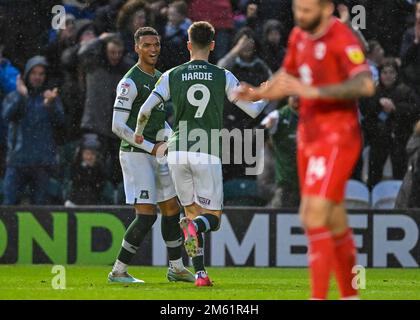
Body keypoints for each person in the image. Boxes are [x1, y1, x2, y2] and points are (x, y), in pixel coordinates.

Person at [236, 0, 375, 300]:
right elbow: (286, 79)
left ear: (326, 9)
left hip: (337, 136)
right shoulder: (299, 36)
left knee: (312, 215)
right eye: (297, 9)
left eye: (307, 10)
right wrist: (258, 92)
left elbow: (365, 85)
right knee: (333, 216)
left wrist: (317, 92)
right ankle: (351, 295)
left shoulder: (341, 37)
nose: (300, 16)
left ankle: (318, 296)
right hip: (309, 136)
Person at [134, 21, 267, 286]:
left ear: (188, 45)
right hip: (205, 151)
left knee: (191, 214)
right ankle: (198, 240)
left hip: (178, 151)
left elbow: (145, 110)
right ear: (213, 46)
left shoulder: (171, 74)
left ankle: (201, 273)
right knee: (212, 220)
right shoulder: (223, 76)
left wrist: (139, 132)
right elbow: (253, 111)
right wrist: (266, 93)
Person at [108, 27, 194, 284]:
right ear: (136, 48)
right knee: (146, 215)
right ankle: (118, 271)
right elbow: (117, 126)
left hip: (157, 153)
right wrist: (151, 147)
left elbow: (158, 121)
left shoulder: (159, 78)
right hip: (136, 155)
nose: (153, 49)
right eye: (147, 45)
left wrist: (172, 139)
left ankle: (176, 268)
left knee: (171, 209)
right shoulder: (129, 82)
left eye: (156, 44)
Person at [2, 56, 64, 205]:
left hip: (42, 162)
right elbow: (6, 116)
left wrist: (51, 105)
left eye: (41, 74)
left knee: (40, 208)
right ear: (27, 75)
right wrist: (21, 96)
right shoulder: (15, 96)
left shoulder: (50, 98)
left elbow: (61, 122)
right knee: (9, 205)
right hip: (18, 160)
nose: (37, 77)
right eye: (34, 73)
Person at [361, 58, 418, 190]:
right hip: (378, 139)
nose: (388, 76)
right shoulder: (373, 91)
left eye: (391, 72)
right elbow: (364, 109)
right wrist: (378, 103)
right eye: (385, 72)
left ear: (396, 74)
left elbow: (415, 109)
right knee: (374, 174)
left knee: (400, 174)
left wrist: (395, 108)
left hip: (399, 139)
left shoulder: (405, 91)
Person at [261, 96, 300, 208]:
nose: (296, 98)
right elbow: (255, 136)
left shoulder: (313, 116)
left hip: (307, 183)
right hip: (285, 182)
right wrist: (266, 128)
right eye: (293, 95)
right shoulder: (277, 116)